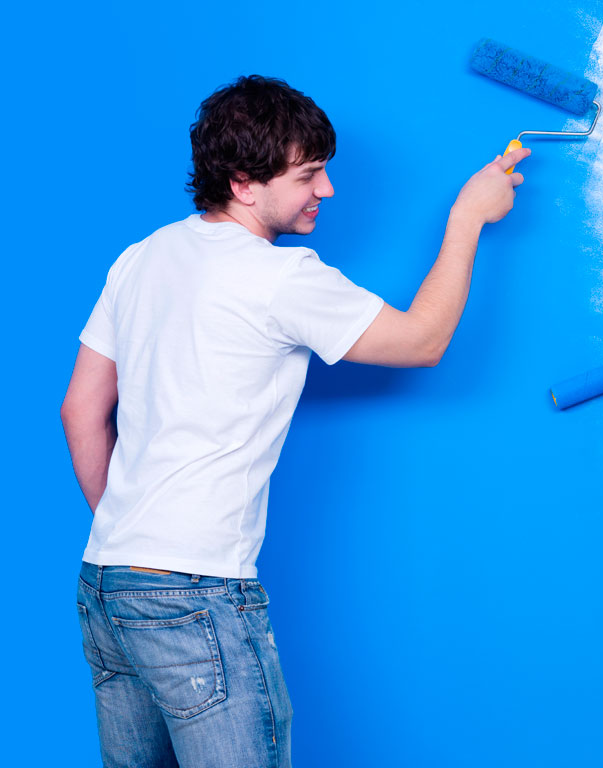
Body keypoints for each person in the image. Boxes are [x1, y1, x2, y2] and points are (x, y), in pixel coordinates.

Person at [60, 74, 530, 768]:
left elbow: (79, 407)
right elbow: (423, 341)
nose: (328, 190)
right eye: (309, 174)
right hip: (195, 592)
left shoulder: (144, 256)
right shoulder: (280, 278)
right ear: (246, 183)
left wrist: (132, 536)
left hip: (107, 582)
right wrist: (467, 218)